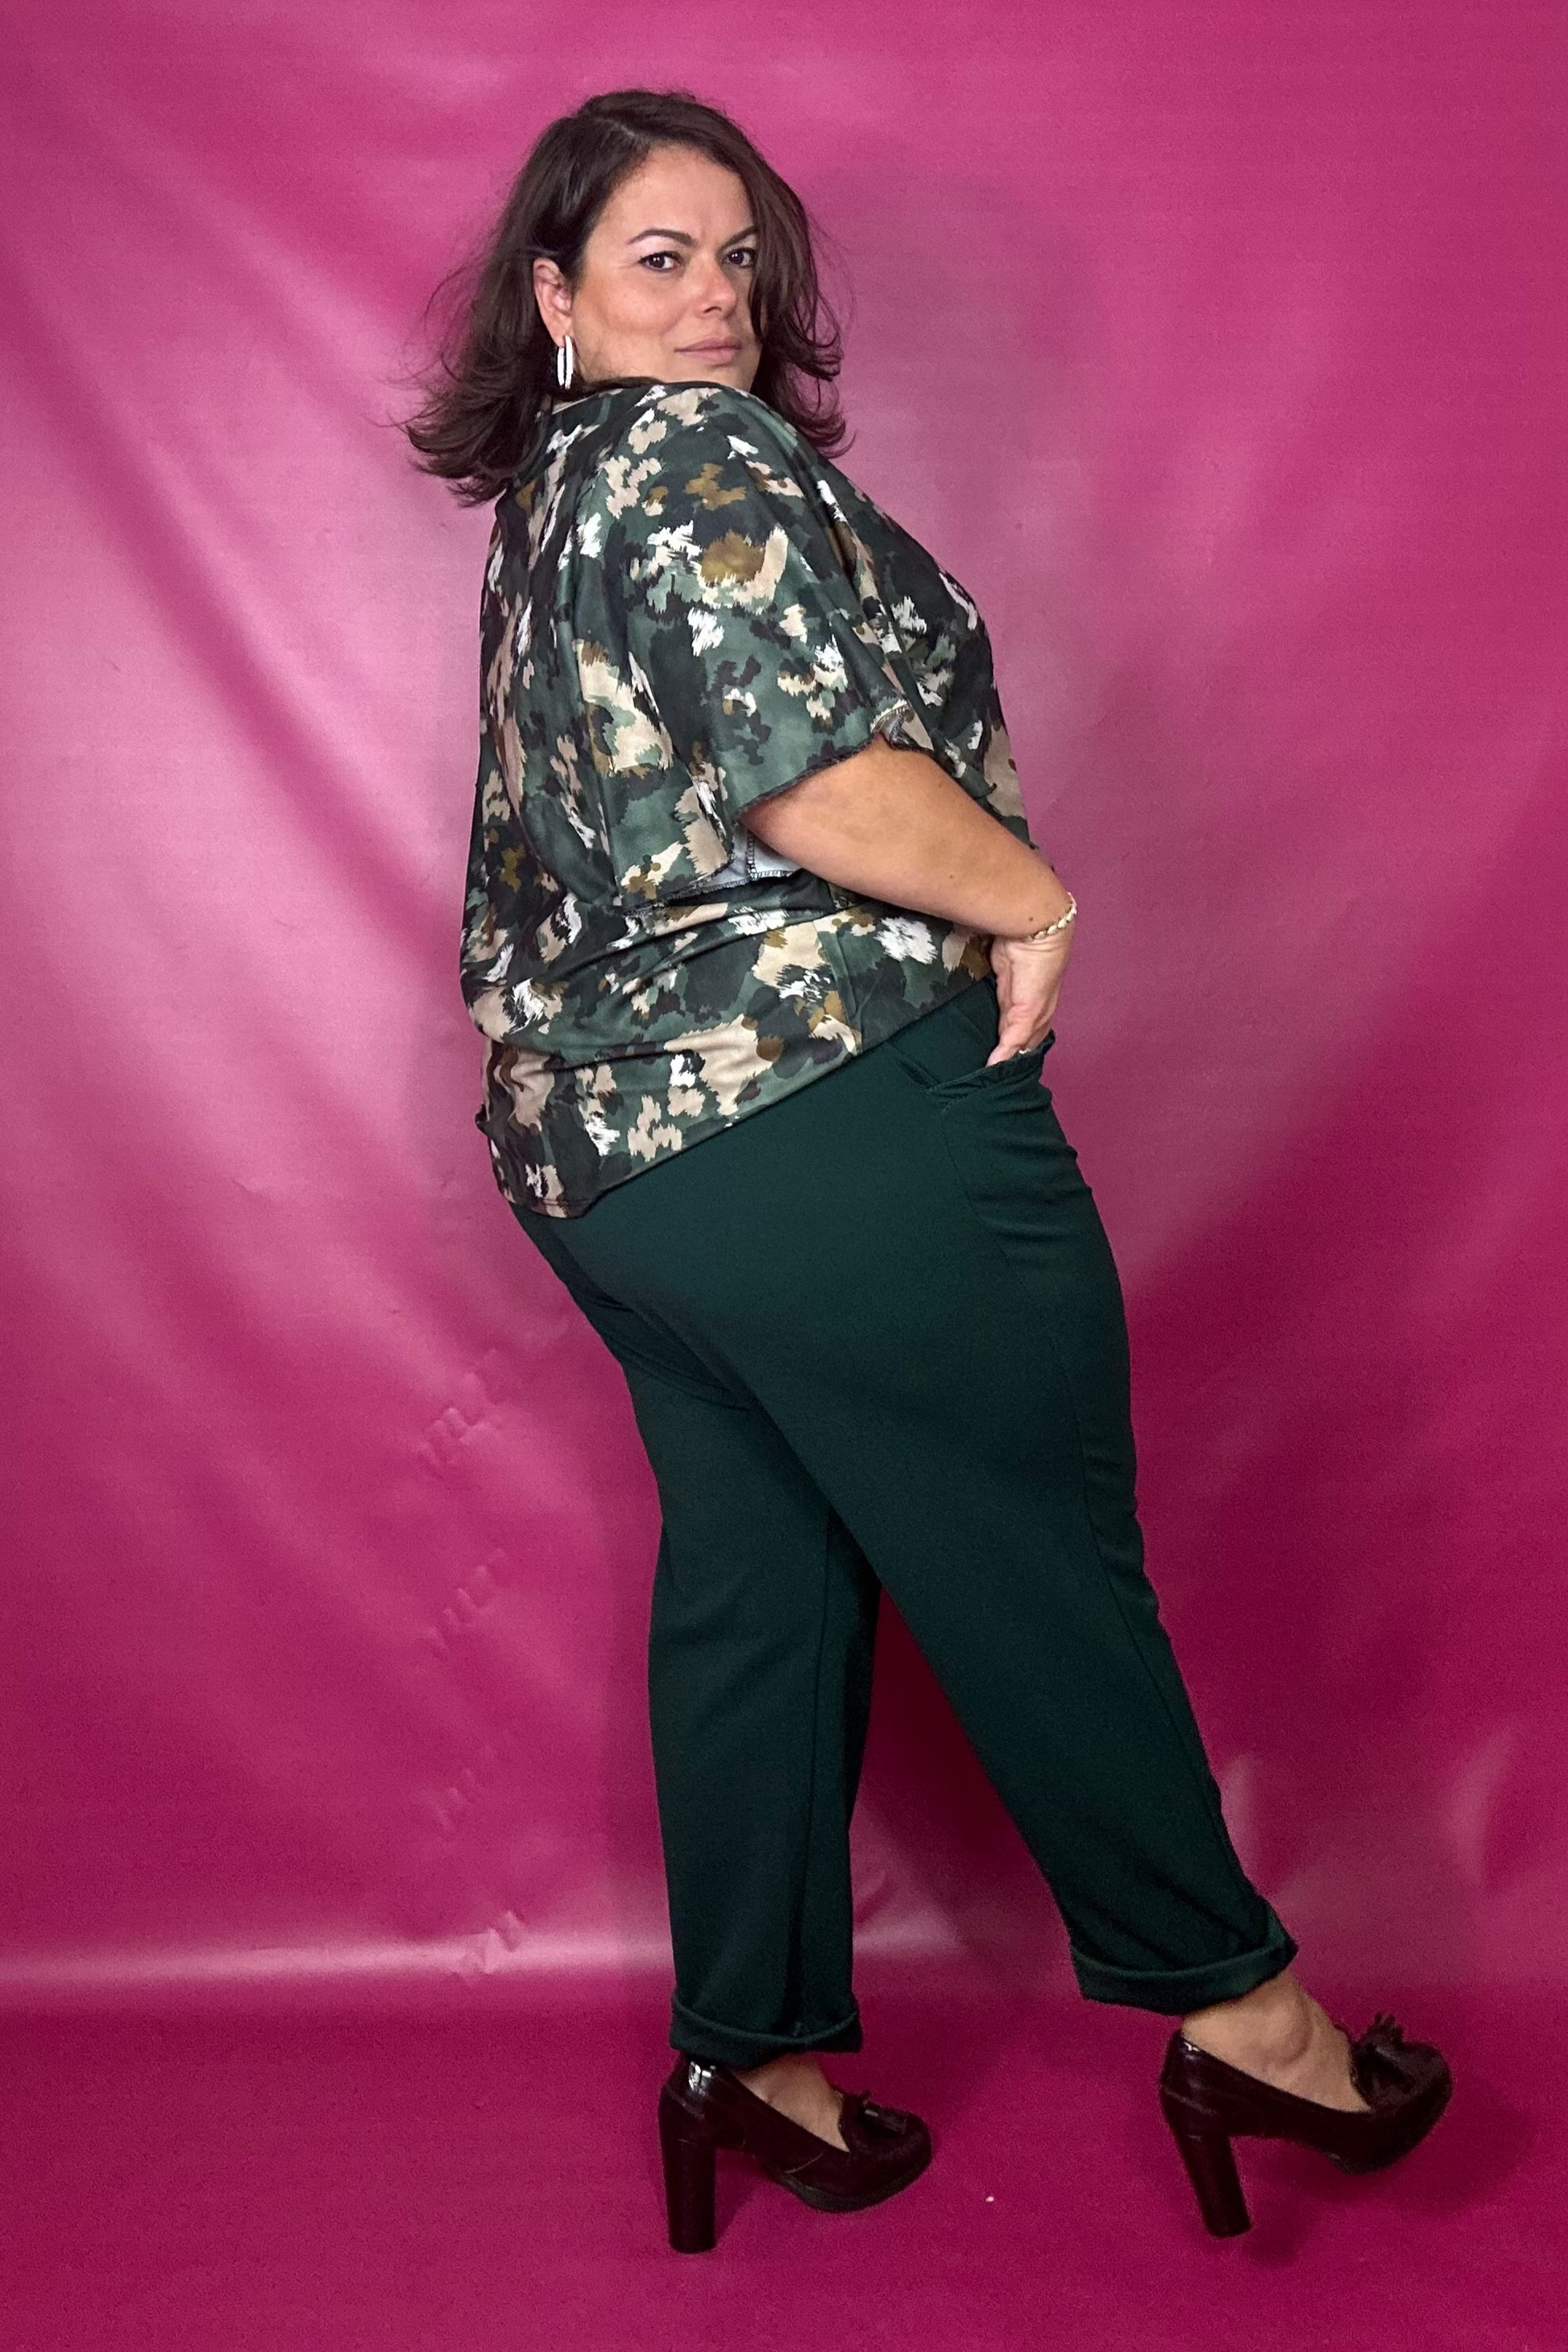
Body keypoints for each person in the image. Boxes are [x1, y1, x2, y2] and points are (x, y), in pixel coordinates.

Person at [404, 86, 1450, 2250]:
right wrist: (1032, 898)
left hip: (617, 1168)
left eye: (736, 256)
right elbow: (806, 778)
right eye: (658, 258)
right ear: (554, 296)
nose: (713, 297)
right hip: (821, 1113)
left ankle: (752, 2057)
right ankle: (1245, 2019)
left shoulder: (558, 499)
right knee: (1035, 1558)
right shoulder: (687, 460)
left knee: (760, 1582)